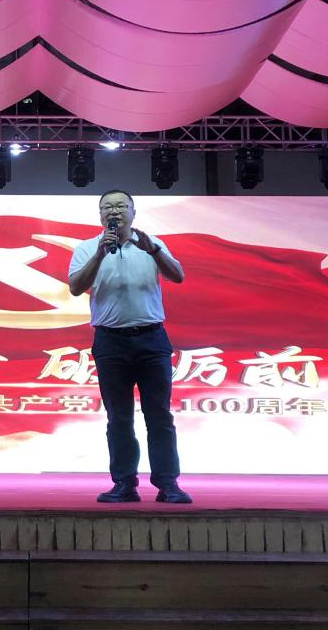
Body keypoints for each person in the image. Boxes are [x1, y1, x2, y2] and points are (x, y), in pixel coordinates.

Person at [68, 189, 191, 504]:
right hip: (110, 341)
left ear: (133, 212)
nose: (114, 211)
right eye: (107, 207)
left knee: (159, 415)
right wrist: (99, 254)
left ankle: (168, 484)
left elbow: (177, 276)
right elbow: (76, 287)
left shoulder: (152, 244)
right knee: (119, 417)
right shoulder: (86, 248)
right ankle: (124, 483)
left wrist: (155, 252)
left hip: (152, 339)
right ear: (100, 215)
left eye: (121, 205)